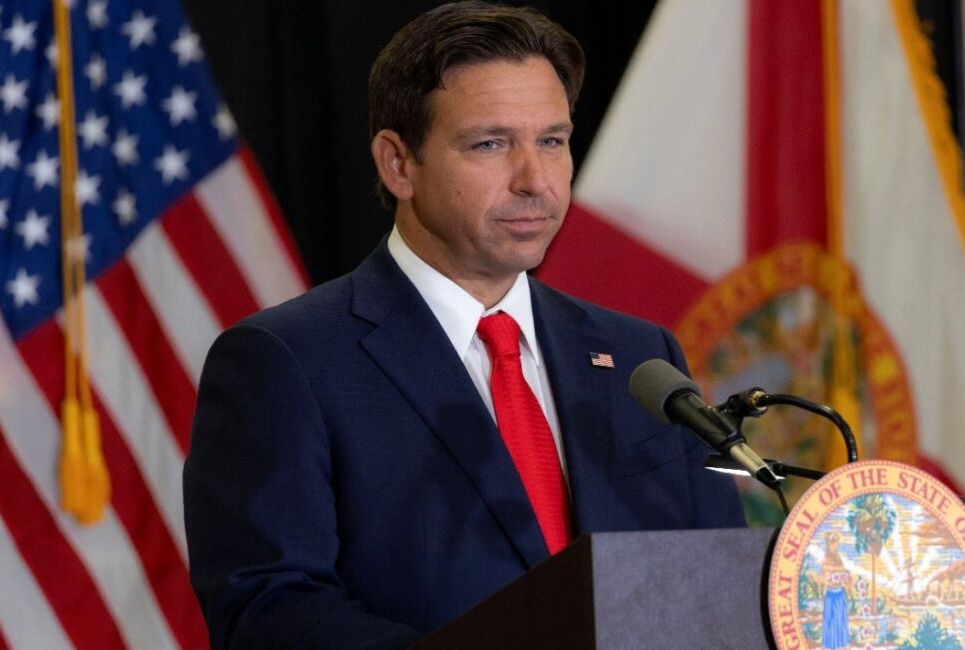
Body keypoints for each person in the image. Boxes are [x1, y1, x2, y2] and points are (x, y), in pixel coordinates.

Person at [183, 3, 746, 648]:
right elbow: (266, 609)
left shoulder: (640, 358)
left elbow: (714, 578)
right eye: (490, 144)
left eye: (552, 141)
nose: (535, 180)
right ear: (398, 164)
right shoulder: (286, 361)